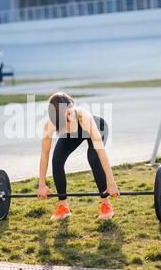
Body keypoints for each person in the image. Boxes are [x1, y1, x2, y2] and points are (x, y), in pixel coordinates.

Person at [37, 92, 120, 220]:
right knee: (57, 160)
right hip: (71, 134)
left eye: (71, 113)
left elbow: (101, 152)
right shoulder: (50, 124)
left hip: (96, 127)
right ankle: (63, 207)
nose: (70, 117)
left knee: (93, 157)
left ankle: (105, 204)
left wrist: (112, 183)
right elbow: (44, 154)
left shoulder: (83, 117)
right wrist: (41, 185)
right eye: (66, 116)